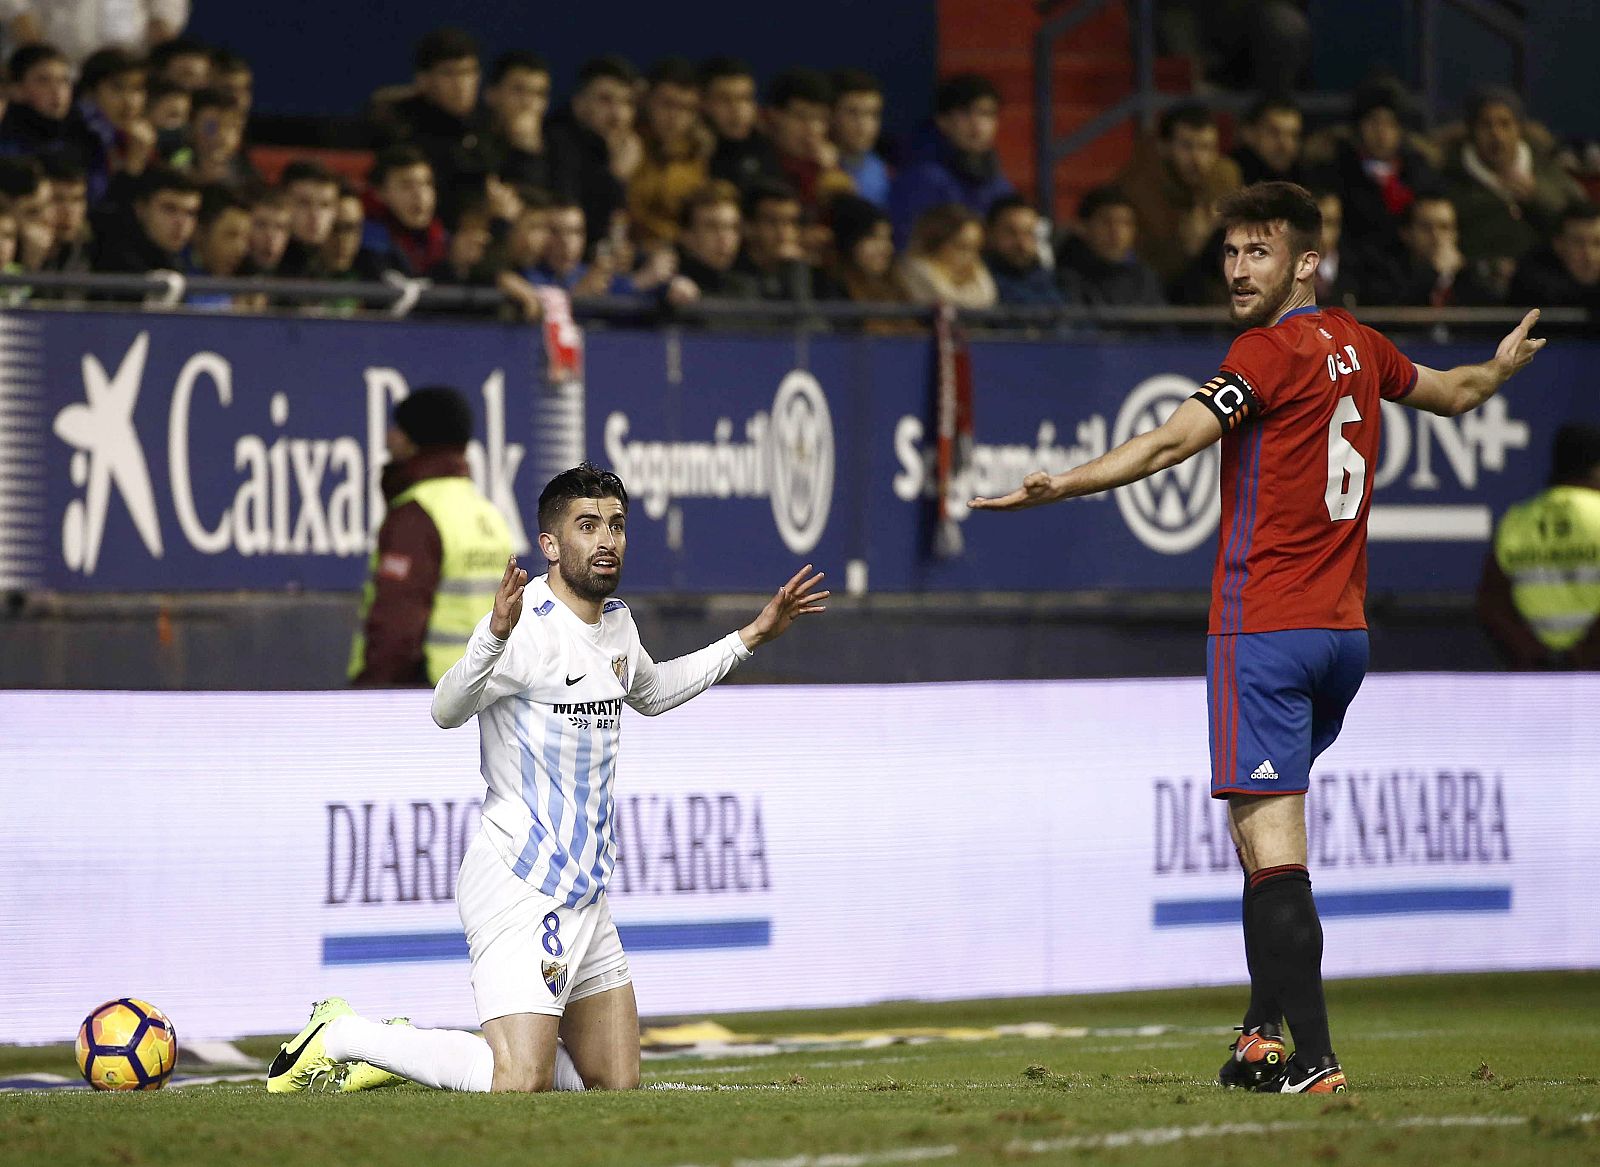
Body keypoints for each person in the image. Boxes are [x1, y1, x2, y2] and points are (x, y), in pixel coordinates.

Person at [971, 180, 1545, 1095]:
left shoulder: (1266, 352)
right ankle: (1257, 1035)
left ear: (1305, 262)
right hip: (1343, 638)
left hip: (1265, 630)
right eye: (1232, 253)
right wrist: (1503, 366)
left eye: (1260, 252)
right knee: (1257, 837)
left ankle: (1313, 1060)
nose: (1239, 270)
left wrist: (1061, 485)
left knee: (1274, 852)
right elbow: (1459, 392)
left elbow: (1168, 445)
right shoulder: (1361, 344)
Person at [273, 463, 827, 1095]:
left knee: (616, 1085)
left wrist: (751, 636)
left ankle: (418, 1049)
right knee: (519, 1082)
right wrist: (491, 635)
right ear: (551, 545)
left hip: (585, 889)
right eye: (587, 526)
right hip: (518, 881)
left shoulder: (617, 624)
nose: (607, 540)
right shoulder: (527, 629)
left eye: (616, 526)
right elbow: (445, 709)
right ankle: (348, 1037)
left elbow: (650, 690)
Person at [348, 386, 513, 687]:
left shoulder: (416, 517)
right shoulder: (487, 515)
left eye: (398, 427)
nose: (389, 437)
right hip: (483, 695)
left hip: (428, 702)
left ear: (415, 439)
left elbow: (396, 631)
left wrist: (367, 697)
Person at [1477, 423, 1600, 671]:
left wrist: (1534, 653)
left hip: (1537, 676)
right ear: (1595, 469)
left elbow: (1492, 603)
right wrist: (1584, 654)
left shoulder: (1518, 519)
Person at [1114, 103, 1241, 289]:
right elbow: (1142, 264)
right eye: (1187, 146)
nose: (1197, 159)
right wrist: (1187, 246)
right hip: (1154, 291)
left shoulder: (1225, 176)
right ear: (1163, 146)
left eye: (1206, 148)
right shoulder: (1138, 185)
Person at [889, 73, 1014, 248]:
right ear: (942, 120)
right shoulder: (921, 178)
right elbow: (908, 246)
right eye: (965, 113)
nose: (976, 124)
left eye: (986, 114)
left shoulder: (999, 183)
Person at [1055, 185, 1165, 307]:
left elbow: (1163, 323)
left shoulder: (1145, 278)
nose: (1117, 232)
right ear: (1082, 227)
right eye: (1106, 222)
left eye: (1125, 223)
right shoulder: (1064, 278)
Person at [1507, 203, 1600, 314]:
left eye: (1597, 243)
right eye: (1578, 243)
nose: (1589, 255)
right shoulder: (1532, 278)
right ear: (1558, 244)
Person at [900, 201, 996, 309]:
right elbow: (949, 302)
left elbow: (987, 296)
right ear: (934, 244)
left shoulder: (973, 267)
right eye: (961, 247)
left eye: (976, 248)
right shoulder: (915, 269)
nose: (971, 257)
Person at [983, 195, 1063, 306]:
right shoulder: (978, 283)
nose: (1022, 243)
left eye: (1029, 233)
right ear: (989, 234)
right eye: (1011, 233)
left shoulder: (1055, 281)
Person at [831, 69, 889, 209]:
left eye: (872, 114)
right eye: (852, 113)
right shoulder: (814, 167)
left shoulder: (881, 169)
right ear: (830, 114)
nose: (863, 126)